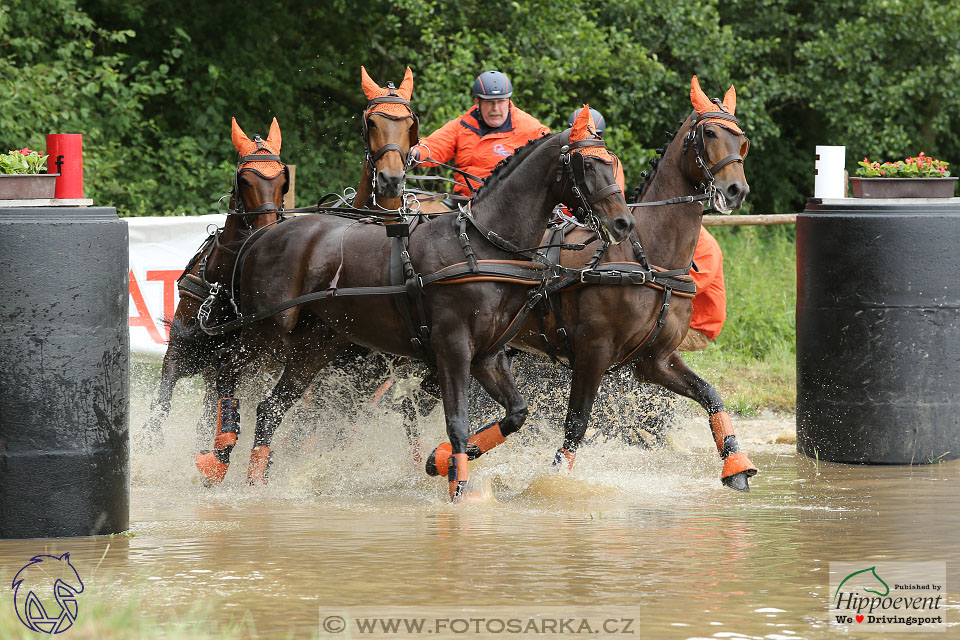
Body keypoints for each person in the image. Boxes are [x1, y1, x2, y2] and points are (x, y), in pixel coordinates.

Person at [562, 106, 726, 350]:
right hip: (670, 312)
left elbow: (676, 293)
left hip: (695, 325)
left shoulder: (703, 247)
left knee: (623, 328)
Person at [410, 70, 551, 197]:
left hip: (511, 205)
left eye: (501, 101)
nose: (495, 109)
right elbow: (435, 145)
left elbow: (553, 153)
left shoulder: (531, 128)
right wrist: (414, 153)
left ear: (508, 101)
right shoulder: (462, 126)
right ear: (477, 102)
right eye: (490, 102)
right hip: (465, 203)